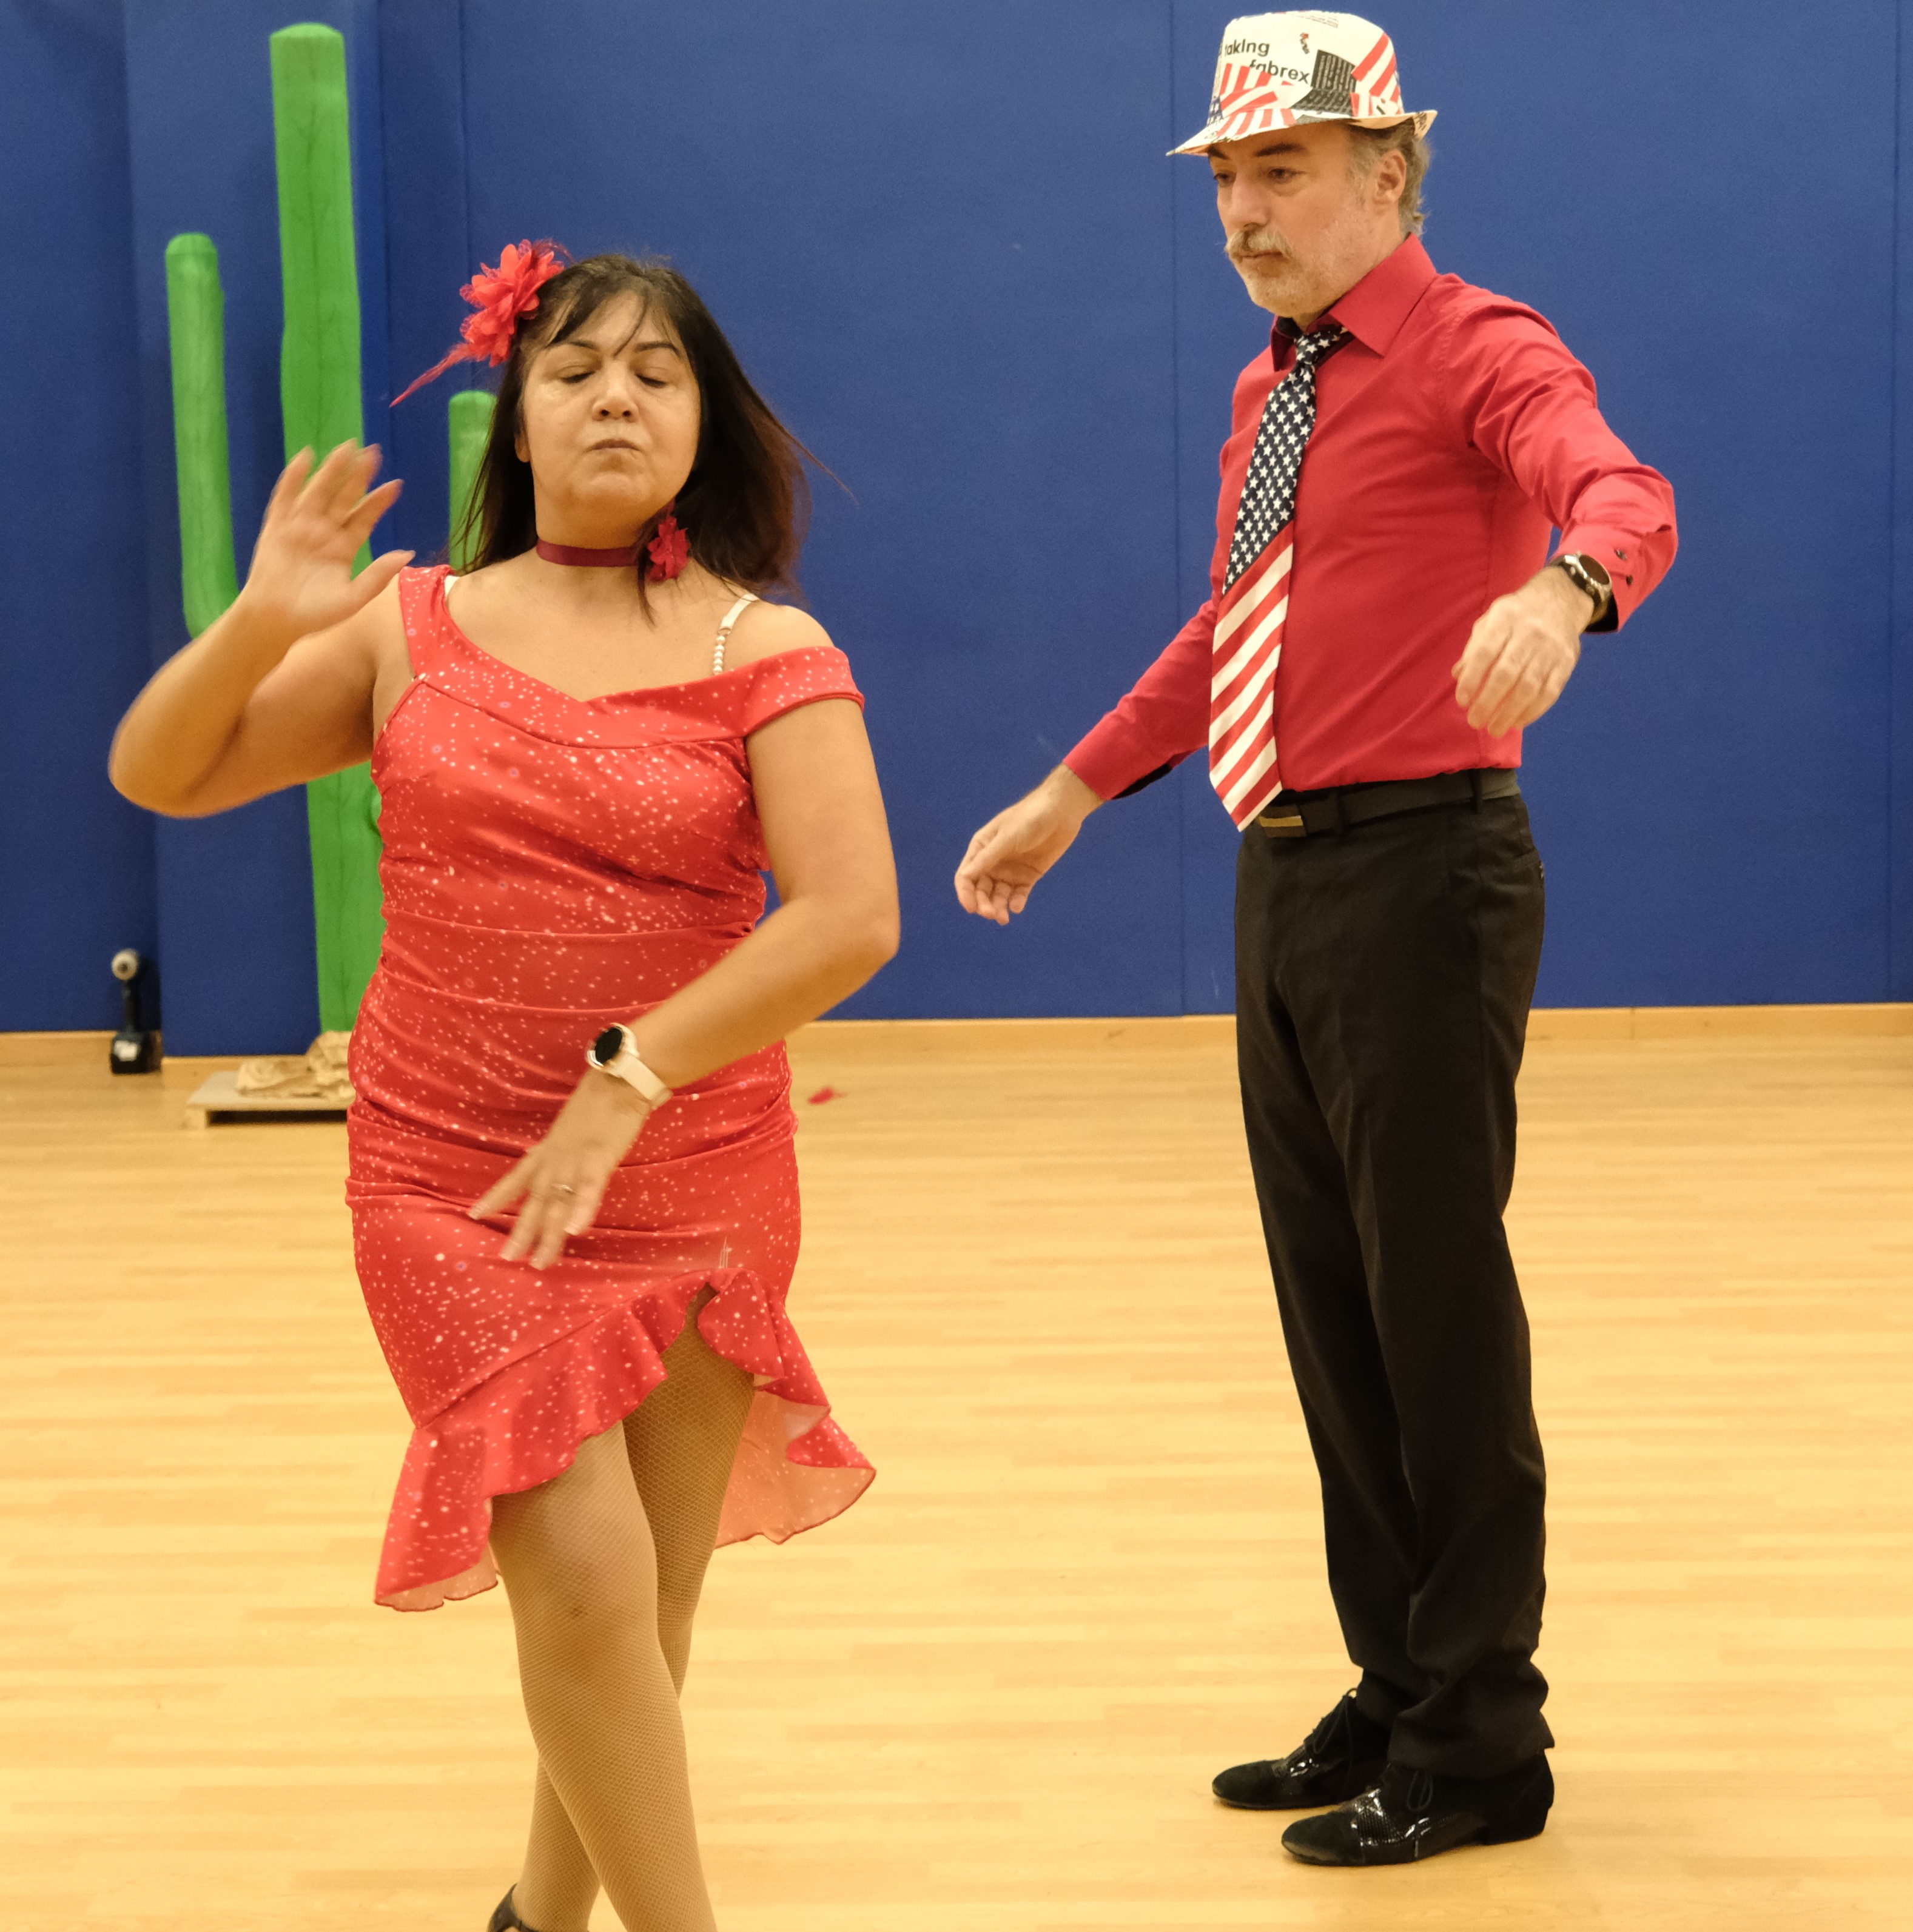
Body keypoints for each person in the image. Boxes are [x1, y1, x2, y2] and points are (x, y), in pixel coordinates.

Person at [955, 12, 1676, 1868]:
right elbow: (1233, 626)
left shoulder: (1477, 347)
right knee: (1331, 1304)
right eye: (1225, 179)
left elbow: (1622, 494)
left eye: (1279, 171)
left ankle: (1482, 1735)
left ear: (1391, 175)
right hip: (1280, 874)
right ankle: (1398, 1674)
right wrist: (1069, 790)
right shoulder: (1273, 391)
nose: (1242, 213)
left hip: (1425, 872)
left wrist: (1561, 592)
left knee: (1433, 1309)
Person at [112, 246, 898, 1932]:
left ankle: (541, 1917)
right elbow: (162, 771)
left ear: (703, 424)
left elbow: (850, 917)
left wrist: (633, 1072)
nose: (617, 398)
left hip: (691, 1164)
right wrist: (262, 619)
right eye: (577, 369)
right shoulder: (410, 630)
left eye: (657, 374)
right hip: (450, 1178)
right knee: (589, 1575)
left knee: (640, 1602)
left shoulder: (768, 645)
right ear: (516, 421)